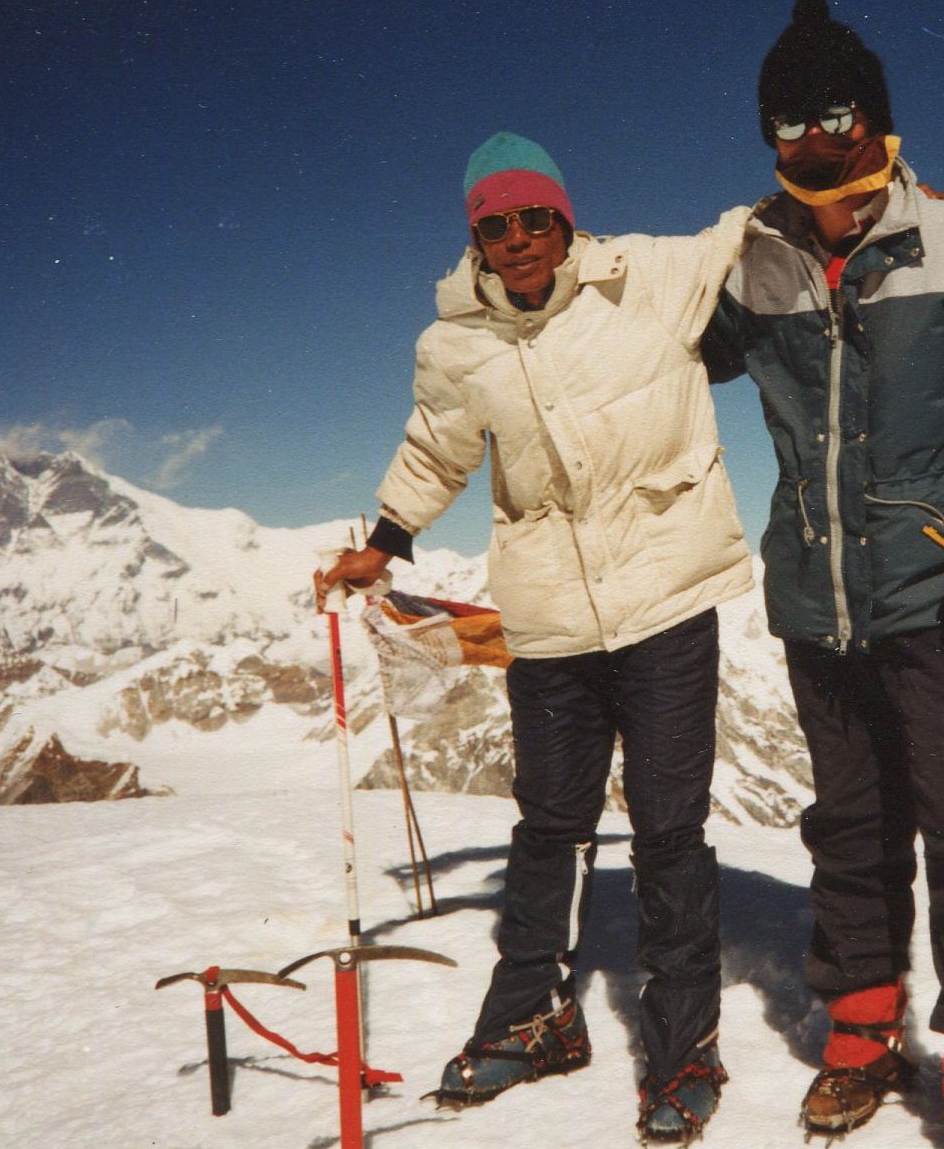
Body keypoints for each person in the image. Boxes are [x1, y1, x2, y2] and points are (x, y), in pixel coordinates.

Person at [315, 131, 751, 1142]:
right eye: (494, 225)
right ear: (473, 235)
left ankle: (684, 1045)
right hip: (551, 616)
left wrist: (886, 199)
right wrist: (385, 541)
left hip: (664, 598)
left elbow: (747, 231)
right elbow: (438, 445)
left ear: (564, 218)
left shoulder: (642, 276)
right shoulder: (455, 343)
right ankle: (532, 1018)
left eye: (533, 219)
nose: (517, 240)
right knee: (549, 821)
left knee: (667, 829)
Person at [700, 0, 944, 1149]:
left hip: (937, 596)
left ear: (882, 124)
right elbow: (654, 341)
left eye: (837, 118)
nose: (818, 145)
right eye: (790, 125)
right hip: (817, 597)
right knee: (848, 823)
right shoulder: (750, 262)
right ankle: (859, 1023)